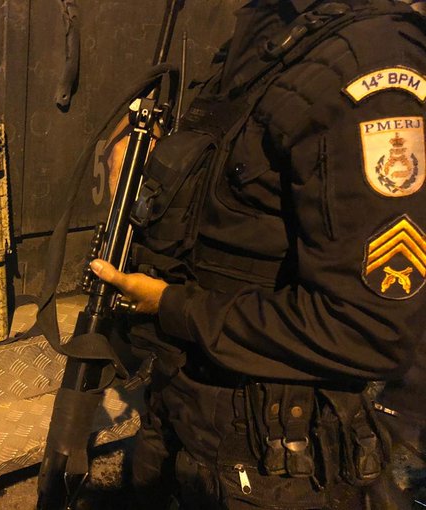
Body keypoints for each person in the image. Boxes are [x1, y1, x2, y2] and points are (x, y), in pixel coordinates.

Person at [92, 0, 426, 508]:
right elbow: (241, 209)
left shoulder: (371, 65)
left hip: (272, 457)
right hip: (189, 408)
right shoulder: (274, 30)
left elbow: (366, 329)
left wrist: (172, 304)